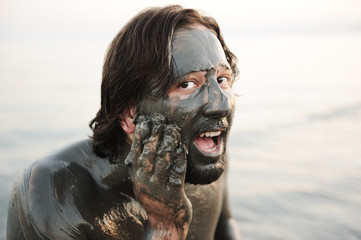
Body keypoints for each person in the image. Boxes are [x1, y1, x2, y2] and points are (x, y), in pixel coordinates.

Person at [7, 5, 241, 240]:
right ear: (130, 113)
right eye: (187, 84)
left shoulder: (204, 152)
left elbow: (224, 223)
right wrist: (166, 225)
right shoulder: (55, 193)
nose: (220, 104)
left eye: (222, 79)